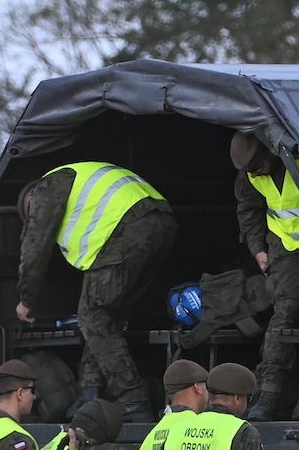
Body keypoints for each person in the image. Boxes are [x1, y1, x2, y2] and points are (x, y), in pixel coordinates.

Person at [13, 162, 177, 421]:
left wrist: (26, 299)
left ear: (32, 199)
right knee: (103, 317)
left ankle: (133, 400)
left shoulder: (47, 188)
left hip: (127, 229)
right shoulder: (80, 178)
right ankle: (90, 391)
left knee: (92, 315)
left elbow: (35, 245)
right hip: (160, 220)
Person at [231, 132, 299, 420]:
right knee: (284, 316)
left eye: (257, 166)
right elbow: (248, 210)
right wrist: (258, 250)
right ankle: (269, 397)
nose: (254, 173)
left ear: (271, 153)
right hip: (284, 246)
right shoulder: (250, 175)